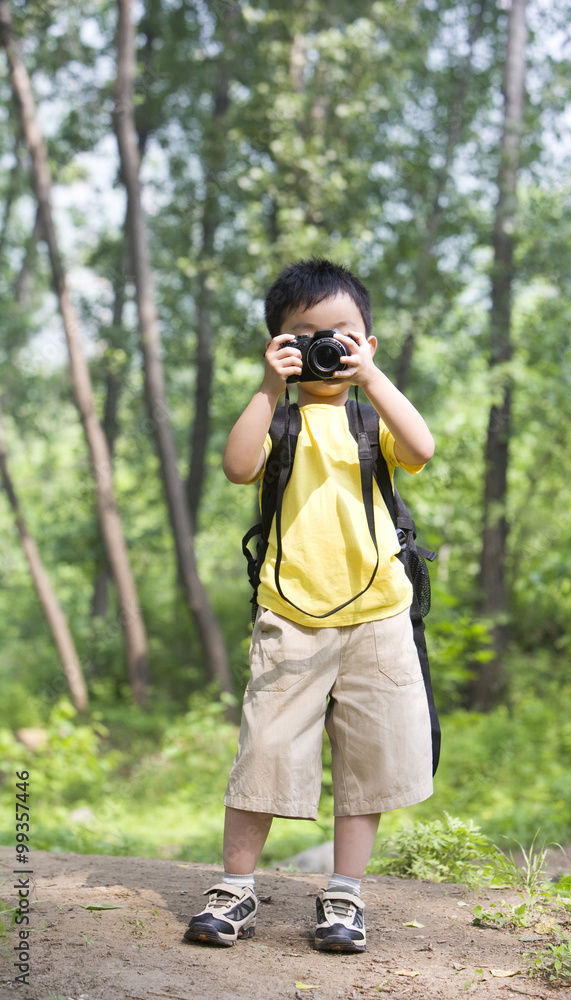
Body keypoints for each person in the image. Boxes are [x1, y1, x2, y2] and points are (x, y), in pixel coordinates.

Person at [184, 258, 435, 953]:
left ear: (367, 342)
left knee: (368, 762)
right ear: (281, 346)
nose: (327, 349)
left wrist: (371, 380)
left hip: (377, 614)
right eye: (306, 337)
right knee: (263, 750)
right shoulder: (279, 422)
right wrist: (270, 384)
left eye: (343, 336)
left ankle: (344, 895)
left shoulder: (368, 419)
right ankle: (234, 888)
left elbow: (422, 447)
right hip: (289, 615)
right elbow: (237, 466)